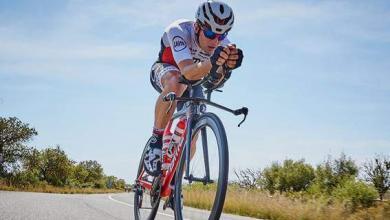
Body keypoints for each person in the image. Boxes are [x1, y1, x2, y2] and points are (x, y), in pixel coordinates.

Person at [143, 0, 244, 177]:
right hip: (166, 71)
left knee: (196, 124)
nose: (215, 40)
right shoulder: (179, 31)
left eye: (221, 35)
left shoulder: (223, 45)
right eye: (210, 32)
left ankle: (175, 182)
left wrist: (226, 68)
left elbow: (212, 82)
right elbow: (187, 72)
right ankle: (156, 139)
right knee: (176, 82)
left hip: (193, 81)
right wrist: (213, 62)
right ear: (197, 27)